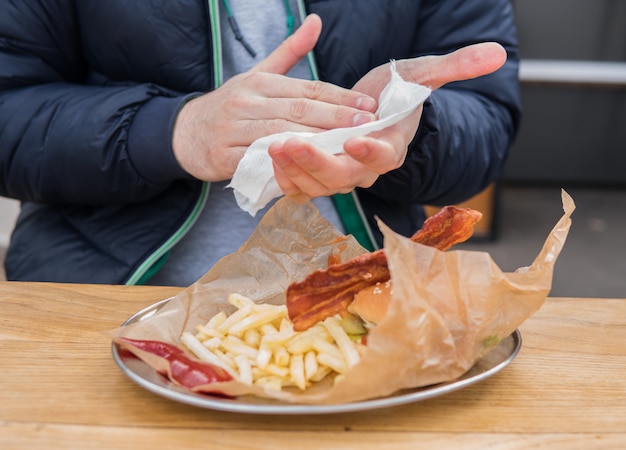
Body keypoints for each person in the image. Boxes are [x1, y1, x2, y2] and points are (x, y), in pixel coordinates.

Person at [0, 1, 521, 285]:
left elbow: (487, 120)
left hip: (369, 309)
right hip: (104, 303)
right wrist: (171, 132)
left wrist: (412, 122)